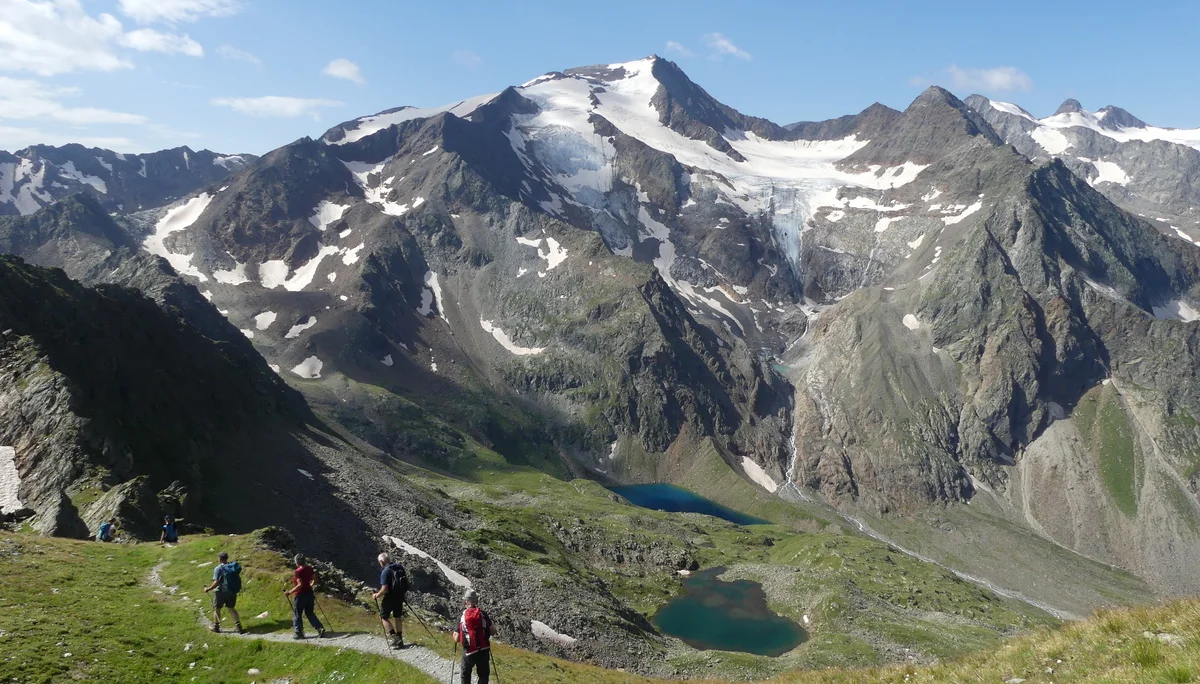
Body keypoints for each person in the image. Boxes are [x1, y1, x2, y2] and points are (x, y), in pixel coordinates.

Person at [454, 588, 495, 684]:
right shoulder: (483, 614)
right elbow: (492, 632)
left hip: (469, 651)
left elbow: (456, 639)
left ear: (465, 602)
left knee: (465, 674)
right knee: (483, 675)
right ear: (476, 601)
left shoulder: (461, 617)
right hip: (484, 650)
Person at [371, 553, 408, 649]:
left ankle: (395, 638)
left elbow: (384, 589)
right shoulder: (399, 567)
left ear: (382, 561)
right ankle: (400, 639)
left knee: (383, 617)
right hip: (400, 596)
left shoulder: (385, 571)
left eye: (379, 562)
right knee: (397, 616)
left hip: (390, 597)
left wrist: (376, 595)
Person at [203, 551, 246, 634]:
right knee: (231, 608)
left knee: (217, 609)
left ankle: (216, 627)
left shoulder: (218, 568)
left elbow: (217, 582)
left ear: (219, 559)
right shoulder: (232, 566)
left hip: (220, 592)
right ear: (227, 558)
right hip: (232, 591)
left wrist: (208, 588)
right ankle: (238, 627)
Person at [284, 554, 325, 639]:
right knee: (309, 612)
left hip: (300, 595)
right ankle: (319, 628)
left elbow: (300, 585)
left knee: (297, 613)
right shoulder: (309, 568)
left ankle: (299, 633)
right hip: (309, 594)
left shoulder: (298, 571)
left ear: (297, 562)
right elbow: (315, 579)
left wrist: (289, 592)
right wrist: (310, 585)